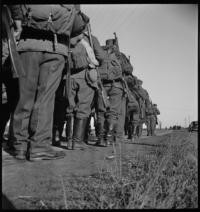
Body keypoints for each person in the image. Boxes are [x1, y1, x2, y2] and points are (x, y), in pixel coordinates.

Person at [8, 5, 80, 161]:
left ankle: (19, 146)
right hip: (56, 49)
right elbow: (78, 24)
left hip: (28, 45)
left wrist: (18, 24)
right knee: (45, 99)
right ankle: (39, 147)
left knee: (24, 96)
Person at [65, 26, 105, 150]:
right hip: (85, 76)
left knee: (70, 107)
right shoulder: (90, 38)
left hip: (68, 75)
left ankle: (68, 140)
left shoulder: (65, 34)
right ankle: (77, 142)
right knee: (83, 107)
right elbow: (101, 56)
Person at [96, 39, 124, 146]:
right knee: (113, 113)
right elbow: (127, 69)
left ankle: (100, 139)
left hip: (102, 85)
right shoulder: (119, 55)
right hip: (116, 86)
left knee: (101, 112)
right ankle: (109, 139)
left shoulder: (100, 52)